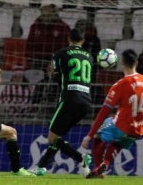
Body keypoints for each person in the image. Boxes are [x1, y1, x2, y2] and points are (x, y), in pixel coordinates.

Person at [81, 49, 143, 179]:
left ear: (122, 63)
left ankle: (99, 170)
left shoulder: (121, 84)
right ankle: (105, 164)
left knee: (98, 135)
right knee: (118, 142)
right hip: (139, 128)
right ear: (137, 62)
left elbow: (104, 112)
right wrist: (142, 121)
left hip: (122, 124)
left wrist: (88, 136)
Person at [29, 28, 93, 177]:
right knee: (57, 137)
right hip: (86, 102)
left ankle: (80, 159)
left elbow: (55, 76)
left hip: (70, 98)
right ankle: (42, 167)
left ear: (68, 39)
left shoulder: (59, 54)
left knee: (52, 138)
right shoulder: (89, 57)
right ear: (82, 41)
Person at [25, 4, 70, 71]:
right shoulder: (34, 26)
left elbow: (66, 47)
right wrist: (31, 60)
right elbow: (29, 45)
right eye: (44, 15)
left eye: (48, 15)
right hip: (37, 62)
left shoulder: (63, 27)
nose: (46, 18)